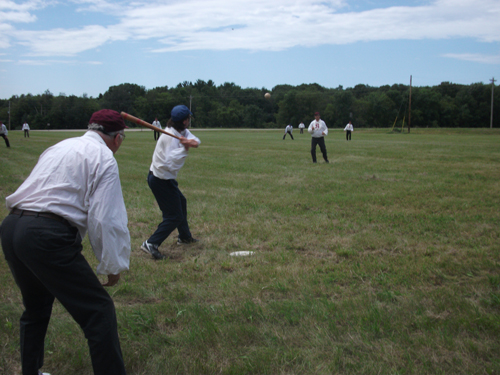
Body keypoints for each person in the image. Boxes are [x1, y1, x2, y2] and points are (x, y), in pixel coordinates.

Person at [0, 109, 131, 375]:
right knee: (99, 311)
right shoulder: (104, 158)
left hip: (12, 227)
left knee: (36, 307)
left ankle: (30, 371)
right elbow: (105, 219)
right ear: (117, 138)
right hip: (45, 234)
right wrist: (112, 264)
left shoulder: (60, 146)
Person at [141, 105, 200, 260]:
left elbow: (195, 140)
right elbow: (171, 163)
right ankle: (151, 243)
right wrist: (185, 148)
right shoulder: (168, 137)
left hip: (166, 178)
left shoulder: (181, 131)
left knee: (181, 202)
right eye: (188, 118)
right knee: (174, 216)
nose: (189, 121)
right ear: (185, 121)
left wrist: (192, 142)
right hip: (159, 179)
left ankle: (185, 237)